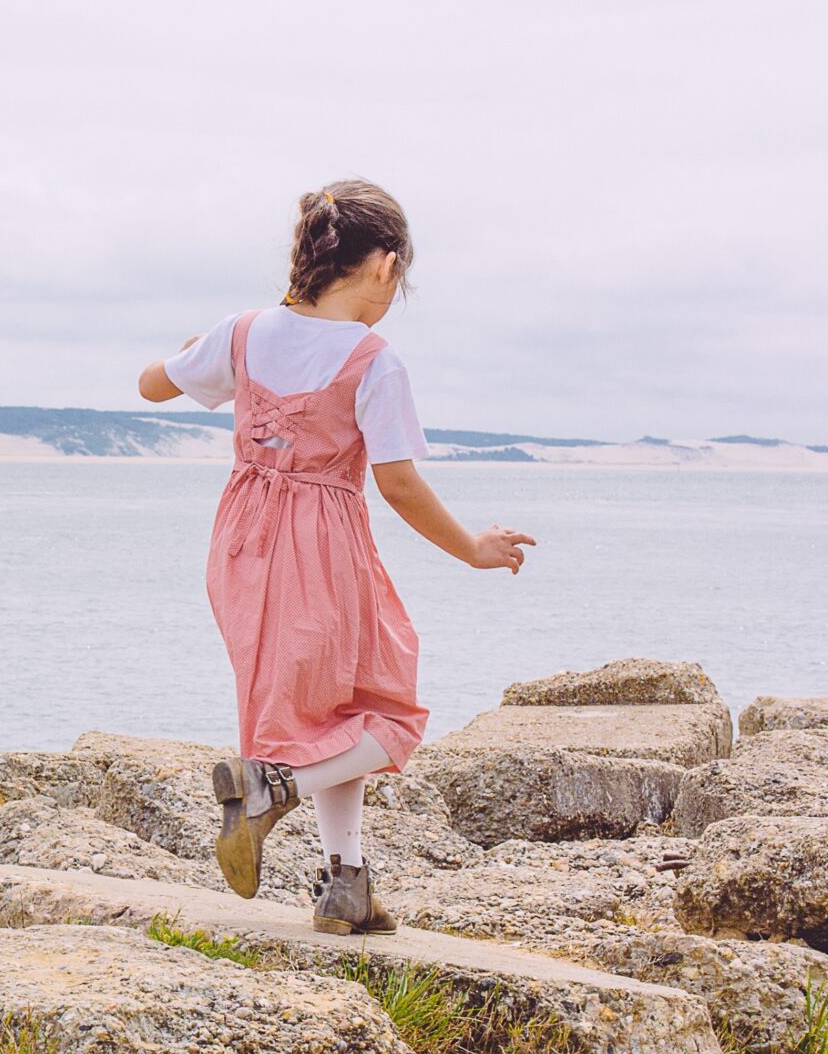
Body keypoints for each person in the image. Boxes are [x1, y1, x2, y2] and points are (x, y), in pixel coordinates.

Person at [136, 180, 535, 935]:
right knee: (392, 712)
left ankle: (345, 884)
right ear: (383, 266)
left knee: (327, 714)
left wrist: (193, 349)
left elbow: (152, 387)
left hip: (241, 546)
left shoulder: (246, 332)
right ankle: (271, 791)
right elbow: (400, 485)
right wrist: (473, 550)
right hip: (322, 550)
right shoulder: (373, 361)